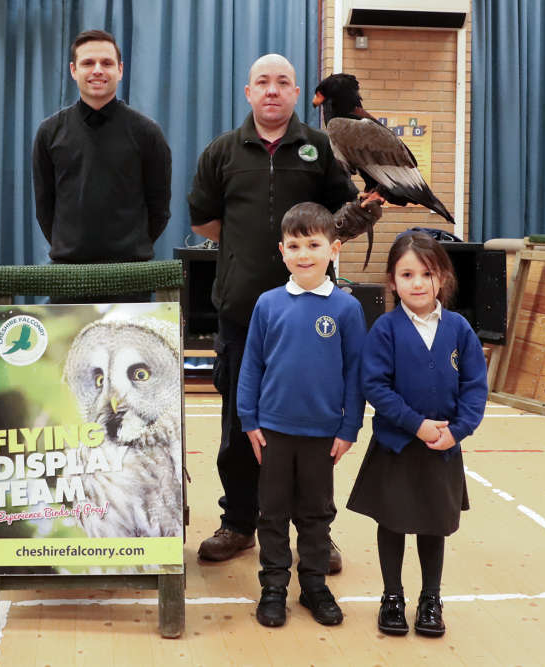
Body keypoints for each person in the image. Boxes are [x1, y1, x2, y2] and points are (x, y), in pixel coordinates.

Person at [188, 53, 381, 565]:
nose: (272, 91)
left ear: (297, 94)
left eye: (283, 83)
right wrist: (247, 249)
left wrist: (359, 219)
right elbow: (205, 220)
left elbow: (340, 219)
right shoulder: (221, 152)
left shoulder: (322, 148)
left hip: (313, 321)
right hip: (242, 317)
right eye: (262, 83)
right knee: (239, 430)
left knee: (312, 433)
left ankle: (315, 533)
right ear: (248, 93)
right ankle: (238, 524)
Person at [347, 231, 487, 637]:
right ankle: (392, 596)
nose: (418, 282)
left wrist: (457, 431)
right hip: (396, 447)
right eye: (407, 274)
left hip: (442, 449)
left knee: (433, 525)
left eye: (427, 273)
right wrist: (417, 424)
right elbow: (375, 386)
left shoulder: (460, 329)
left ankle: (431, 598)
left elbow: (476, 387)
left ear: (441, 278)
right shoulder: (386, 330)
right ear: (392, 281)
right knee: (391, 523)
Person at [237, 203, 365, 628]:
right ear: (282, 250)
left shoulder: (346, 309)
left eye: (314, 244)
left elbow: (355, 374)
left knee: (315, 513)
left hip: (322, 434)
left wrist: (349, 427)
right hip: (272, 432)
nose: (304, 253)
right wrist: (249, 420)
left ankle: (314, 585)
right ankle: (273, 587)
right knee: (271, 513)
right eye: (295, 245)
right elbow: (252, 365)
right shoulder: (268, 304)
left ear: (334, 249)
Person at [32, 29, 172, 275]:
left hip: (131, 274)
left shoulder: (148, 133)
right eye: (88, 63)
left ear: (120, 70)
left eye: (106, 63)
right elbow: (45, 208)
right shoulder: (49, 132)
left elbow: (159, 208)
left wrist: (131, 249)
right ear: (73, 70)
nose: (97, 70)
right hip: (67, 273)